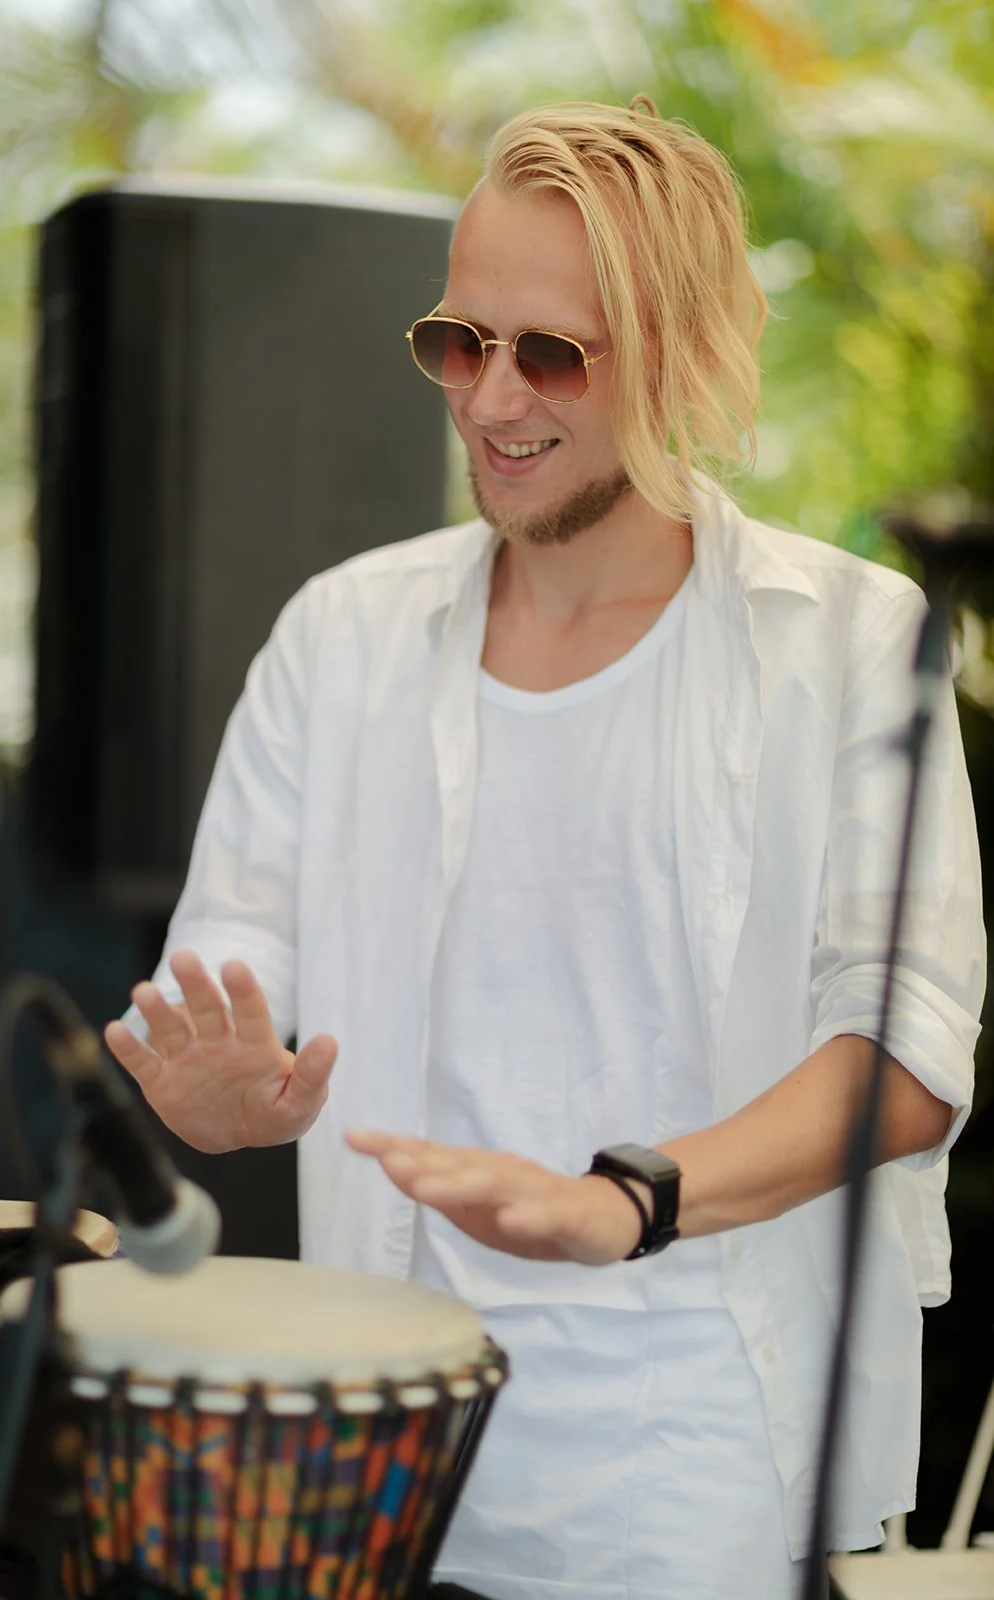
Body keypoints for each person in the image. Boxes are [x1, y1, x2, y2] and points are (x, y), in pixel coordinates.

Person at [104, 97, 984, 1600]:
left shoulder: (843, 640)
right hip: (380, 1436)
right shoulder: (343, 634)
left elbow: (902, 1050)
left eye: (550, 353)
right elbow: (224, 965)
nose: (489, 396)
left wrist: (620, 1196)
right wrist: (213, 1087)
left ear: (683, 357)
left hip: (693, 1453)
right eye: (458, 341)